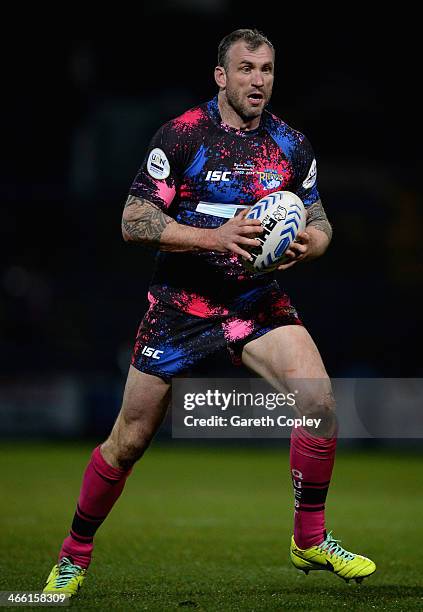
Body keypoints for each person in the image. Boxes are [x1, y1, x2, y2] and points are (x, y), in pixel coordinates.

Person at [43, 28, 376, 597]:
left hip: (255, 300)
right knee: (128, 439)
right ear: (221, 75)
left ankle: (310, 538)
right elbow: (133, 222)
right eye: (246, 69)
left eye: (267, 70)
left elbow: (320, 221)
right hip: (181, 304)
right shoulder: (182, 135)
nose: (258, 81)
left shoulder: (290, 144)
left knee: (317, 398)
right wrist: (214, 237)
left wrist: (309, 244)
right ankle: (74, 554)